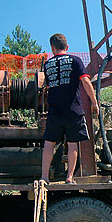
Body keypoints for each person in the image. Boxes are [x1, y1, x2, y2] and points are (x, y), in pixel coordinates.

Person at [41, 33, 99, 184]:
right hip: (73, 109)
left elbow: (48, 87)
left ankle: (44, 177)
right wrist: (94, 102)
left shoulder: (47, 65)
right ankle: (70, 177)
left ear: (52, 48)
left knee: (49, 142)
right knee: (73, 143)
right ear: (67, 47)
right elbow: (85, 81)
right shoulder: (76, 60)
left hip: (55, 111)